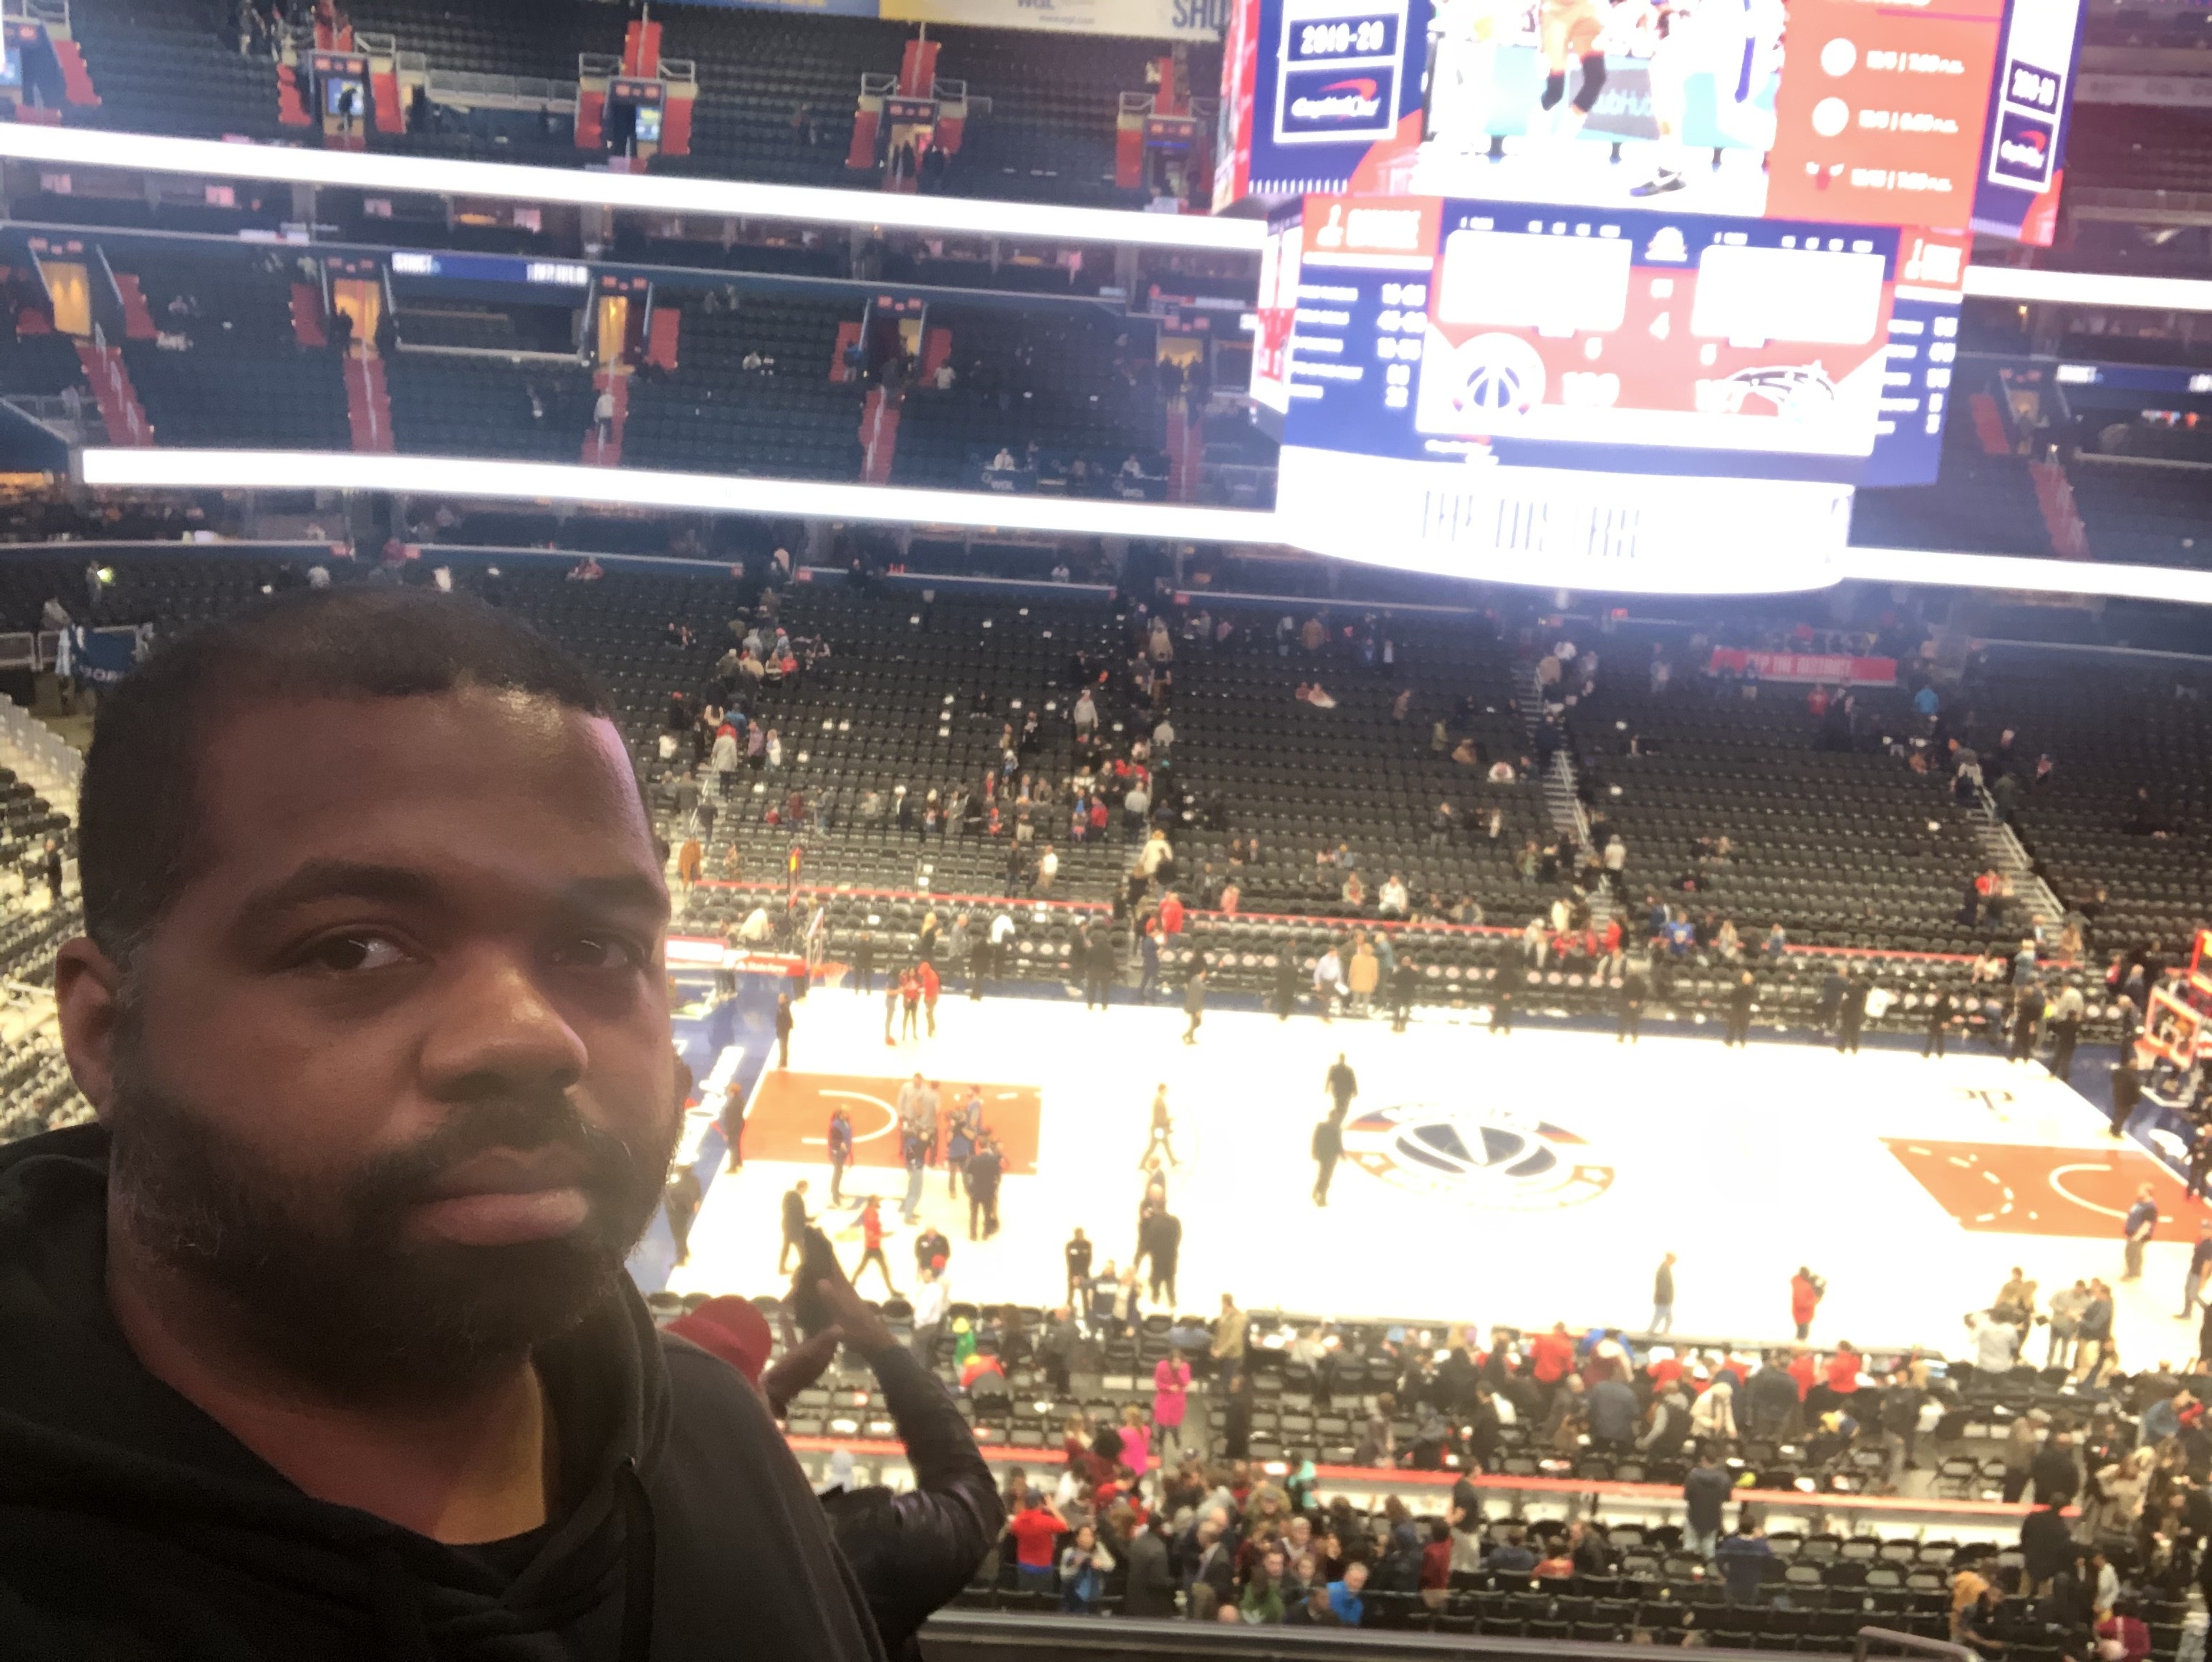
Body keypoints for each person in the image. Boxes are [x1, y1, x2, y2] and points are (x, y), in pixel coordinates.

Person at [1, 588, 883, 1656]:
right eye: (354, 949)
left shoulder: (724, 1443)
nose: (530, 1037)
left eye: (599, 949)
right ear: (105, 1034)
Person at [742, 1264, 1002, 1660]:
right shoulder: (858, 1548)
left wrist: (760, 1400)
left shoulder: (668, 1559)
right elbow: (973, 1496)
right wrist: (883, 1348)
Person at [1004, 1491, 1069, 1594]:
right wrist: (1053, 1508)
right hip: (1043, 1568)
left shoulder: (1017, 1522)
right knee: (1043, 1600)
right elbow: (1065, 1526)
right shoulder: (1045, 1521)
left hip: (1023, 1567)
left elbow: (1014, 1530)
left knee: (1024, 1599)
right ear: (1039, 1503)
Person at [1683, 1447, 1731, 1557]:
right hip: (1713, 1517)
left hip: (1694, 1516)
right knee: (1709, 1548)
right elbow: (1727, 1498)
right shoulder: (1724, 1478)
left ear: (1703, 1459)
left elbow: (1686, 1497)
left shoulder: (1693, 1476)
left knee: (1690, 1549)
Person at [854, 1196, 900, 1294]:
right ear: (873, 1202)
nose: (879, 1202)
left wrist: (883, 1234)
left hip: (872, 1246)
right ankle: (892, 1291)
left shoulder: (871, 1212)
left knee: (863, 1267)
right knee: (883, 1269)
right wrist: (884, 1235)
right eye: (877, 1200)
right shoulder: (871, 1213)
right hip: (873, 1247)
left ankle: (852, 1283)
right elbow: (871, 1234)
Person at [965, 1138, 1002, 1241]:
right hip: (989, 1191)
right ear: (988, 1146)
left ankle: (973, 1234)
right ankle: (985, 1234)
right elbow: (998, 1175)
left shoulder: (974, 1160)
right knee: (987, 1214)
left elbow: (968, 1174)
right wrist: (995, 1187)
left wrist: (969, 1188)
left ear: (979, 1146)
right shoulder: (994, 1160)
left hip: (976, 1190)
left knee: (974, 1214)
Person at [2123, 1184, 2158, 1281]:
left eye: (2141, 1190)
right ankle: (2136, 1273)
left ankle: (2132, 1274)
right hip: (2132, 1233)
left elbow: (2147, 1224)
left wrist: (2137, 1237)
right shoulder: (2139, 1202)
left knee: (2132, 1254)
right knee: (2134, 1254)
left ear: (2147, 1193)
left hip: (2139, 1236)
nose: (2138, 1191)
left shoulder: (2150, 1208)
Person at [1140, 1084, 1178, 1169]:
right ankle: (1142, 1165)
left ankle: (1173, 1162)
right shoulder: (1158, 1101)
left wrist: (1168, 1120)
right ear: (1162, 1090)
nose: (1166, 1092)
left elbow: (1161, 1117)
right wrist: (1169, 1120)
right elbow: (1159, 1117)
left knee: (1166, 1145)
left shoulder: (1159, 1100)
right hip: (1158, 1129)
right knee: (1152, 1148)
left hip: (1159, 1129)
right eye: (1165, 1090)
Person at [1312, 1109, 1345, 1206]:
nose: (1336, 1119)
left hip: (1333, 1156)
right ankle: (1319, 1196)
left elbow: (1339, 1143)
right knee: (1323, 1176)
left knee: (1327, 1177)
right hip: (1324, 1156)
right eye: (1335, 1117)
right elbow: (1316, 1140)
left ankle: (1319, 1194)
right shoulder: (1322, 1126)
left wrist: (1342, 1154)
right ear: (1330, 1116)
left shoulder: (1337, 1128)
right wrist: (1314, 1152)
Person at [780, 1178, 812, 1273]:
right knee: (802, 1248)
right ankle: (805, 1269)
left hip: (786, 1225)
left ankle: (781, 1268)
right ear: (802, 1188)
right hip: (795, 1228)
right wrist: (809, 1220)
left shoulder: (788, 1195)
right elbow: (799, 1215)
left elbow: (786, 1210)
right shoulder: (798, 1199)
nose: (806, 1191)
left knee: (786, 1247)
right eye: (806, 1188)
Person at [829, 1103, 854, 1205]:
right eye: (844, 1113)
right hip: (838, 1153)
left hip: (843, 1152)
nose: (846, 1114)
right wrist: (841, 1144)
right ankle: (835, 1196)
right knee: (838, 1173)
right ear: (840, 1114)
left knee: (838, 1172)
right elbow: (833, 1140)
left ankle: (835, 1190)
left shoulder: (845, 1121)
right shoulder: (836, 1125)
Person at [1791, 1266, 1826, 1339]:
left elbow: (1807, 1299)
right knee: (1802, 1336)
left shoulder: (1801, 1283)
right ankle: (1798, 1344)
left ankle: (1798, 1343)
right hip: (1803, 1315)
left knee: (1802, 1335)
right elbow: (1803, 1303)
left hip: (1803, 1314)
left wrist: (1816, 1288)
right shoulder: (1803, 1285)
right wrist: (1818, 1296)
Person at [1064, 1226, 1093, 1307]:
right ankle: (1069, 1311)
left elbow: (1089, 1260)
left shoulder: (1088, 1245)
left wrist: (1081, 1275)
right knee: (1070, 1297)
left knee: (1085, 1298)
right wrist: (1075, 1276)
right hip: (1072, 1274)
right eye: (1078, 1234)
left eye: (1081, 1234)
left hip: (1085, 1274)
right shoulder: (1070, 1245)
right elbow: (1069, 1262)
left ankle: (1087, 1314)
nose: (1080, 1236)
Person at [1325, 1053, 1357, 1119]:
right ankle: (1337, 1121)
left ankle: (1337, 1120)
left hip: (1339, 1093)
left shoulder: (1334, 1069)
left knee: (1339, 1109)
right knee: (1343, 1109)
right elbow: (1353, 1081)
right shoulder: (1349, 1070)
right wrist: (1355, 1091)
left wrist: (1326, 1088)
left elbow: (1329, 1079)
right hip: (1345, 1093)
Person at [1652, 1252, 1677, 1335]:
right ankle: (1650, 1333)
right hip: (1663, 1300)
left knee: (1668, 1319)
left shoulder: (1665, 1268)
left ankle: (1664, 1334)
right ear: (1669, 1259)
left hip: (1665, 1300)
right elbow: (1663, 1286)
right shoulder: (1664, 1269)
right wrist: (1666, 1299)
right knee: (1659, 1317)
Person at [1181, 965, 1207, 1044]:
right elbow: (1197, 997)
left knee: (1194, 1023)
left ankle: (1191, 1038)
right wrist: (1198, 1010)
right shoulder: (1198, 983)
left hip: (1192, 1005)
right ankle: (1186, 1035)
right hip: (1195, 1006)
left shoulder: (1194, 979)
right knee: (1197, 1022)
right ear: (1202, 972)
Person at [774, 991, 794, 1070]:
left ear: (785, 999)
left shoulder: (784, 1008)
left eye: (781, 998)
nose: (779, 999)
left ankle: (783, 1062)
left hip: (783, 1031)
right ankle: (782, 1061)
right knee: (782, 1047)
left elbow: (788, 1019)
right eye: (779, 998)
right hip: (781, 1030)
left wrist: (787, 1028)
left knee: (783, 1047)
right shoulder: (782, 1007)